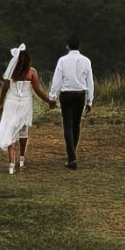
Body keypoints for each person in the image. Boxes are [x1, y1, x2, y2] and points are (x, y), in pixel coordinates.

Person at [0, 43, 55, 174]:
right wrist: (49, 101)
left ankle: (11, 165)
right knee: (23, 130)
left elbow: (4, 89)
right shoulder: (32, 72)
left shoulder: (11, 72)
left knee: (11, 130)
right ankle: (21, 158)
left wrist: (1, 104)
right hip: (25, 104)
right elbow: (37, 90)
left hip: (11, 103)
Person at [49, 34, 94, 168]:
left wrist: (52, 97)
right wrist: (90, 100)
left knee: (67, 126)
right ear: (79, 46)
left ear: (67, 46)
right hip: (80, 94)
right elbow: (90, 81)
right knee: (76, 125)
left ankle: (72, 157)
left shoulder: (62, 61)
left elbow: (57, 80)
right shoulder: (86, 61)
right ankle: (72, 153)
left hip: (66, 94)